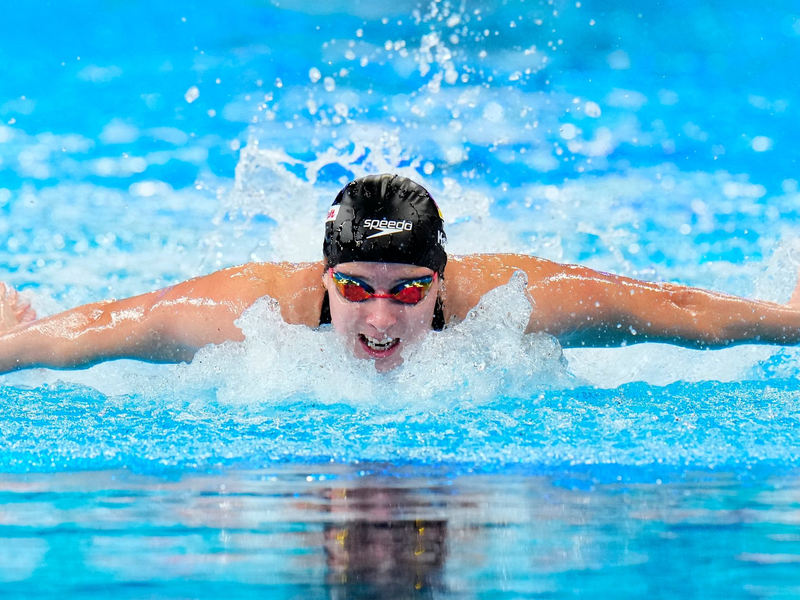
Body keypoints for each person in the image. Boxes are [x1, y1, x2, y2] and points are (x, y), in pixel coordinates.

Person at [1, 173, 800, 375]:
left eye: (408, 290)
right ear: (324, 278)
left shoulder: (513, 302)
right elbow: (99, 329)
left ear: (442, 283)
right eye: (355, 288)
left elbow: (681, 309)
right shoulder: (255, 312)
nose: (381, 320)